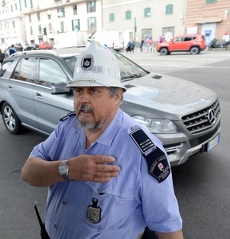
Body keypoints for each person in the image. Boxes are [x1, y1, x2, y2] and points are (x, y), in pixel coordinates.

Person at [21, 41, 183, 239]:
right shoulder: (67, 128)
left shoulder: (143, 153)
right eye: (79, 90)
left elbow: (168, 229)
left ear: (117, 97)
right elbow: (28, 173)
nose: (83, 99)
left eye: (94, 90)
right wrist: (67, 169)